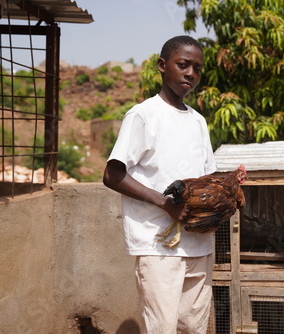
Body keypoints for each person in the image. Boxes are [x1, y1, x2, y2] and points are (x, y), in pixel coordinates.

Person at [103, 35, 217, 334]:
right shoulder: (144, 115)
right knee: (162, 328)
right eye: (183, 65)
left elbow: (207, 178)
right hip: (157, 245)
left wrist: (217, 204)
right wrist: (165, 204)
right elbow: (112, 174)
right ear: (162, 66)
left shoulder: (198, 122)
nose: (190, 73)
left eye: (197, 68)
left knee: (193, 327)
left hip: (199, 244)